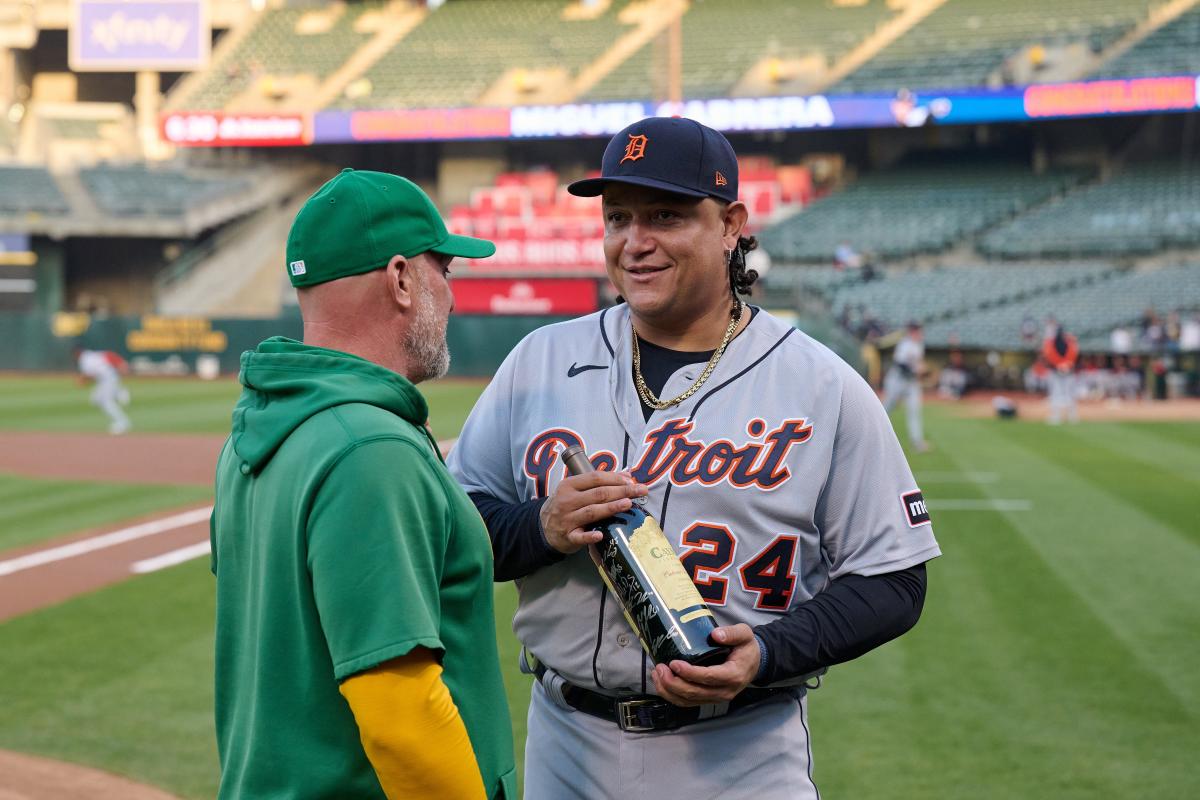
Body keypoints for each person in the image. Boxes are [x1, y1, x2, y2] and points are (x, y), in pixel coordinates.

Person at [448, 118, 940, 800]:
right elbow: (450, 532)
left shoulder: (821, 387)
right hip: (566, 743)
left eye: (666, 216)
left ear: (731, 224)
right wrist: (541, 528)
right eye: (618, 217)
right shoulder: (540, 361)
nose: (635, 241)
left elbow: (893, 579)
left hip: (738, 751)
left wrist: (769, 652)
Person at [209, 169, 516, 800]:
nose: (452, 296)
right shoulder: (370, 448)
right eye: (445, 271)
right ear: (402, 279)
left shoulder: (259, 430)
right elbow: (401, 715)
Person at [882, 321, 929, 451]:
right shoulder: (905, 344)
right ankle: (872, 434)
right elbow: (899, 364)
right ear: (913, 332)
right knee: (886, 408)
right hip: (897, 381)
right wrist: (915, 370)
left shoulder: (919, 345)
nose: (921, 333)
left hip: (911, 383)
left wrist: (921, 371)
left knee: (914, 410)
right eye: (918, 331)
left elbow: (916, 365)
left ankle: (917, 442)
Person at [76, 347, 131, 434]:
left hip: (108, 379)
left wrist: (82, 381)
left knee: (106, 402)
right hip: (105, 380)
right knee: (95, 400)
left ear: (77, 353)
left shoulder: (85, 359)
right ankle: (118, 392)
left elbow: (90, 375)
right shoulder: (91, 355)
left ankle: (122, 422)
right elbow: (108, 355)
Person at [1042, 318, 1079, 424]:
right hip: (1060, 371)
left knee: (1063, 393)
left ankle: (1067, 415)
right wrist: (1063, 365)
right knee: (1060, 393)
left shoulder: (1068, 342)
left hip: (1063, 371)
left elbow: (1072, 354)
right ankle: (1064, 416)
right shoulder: (1055, 342)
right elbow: (1049, 355)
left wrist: (1062, 365)